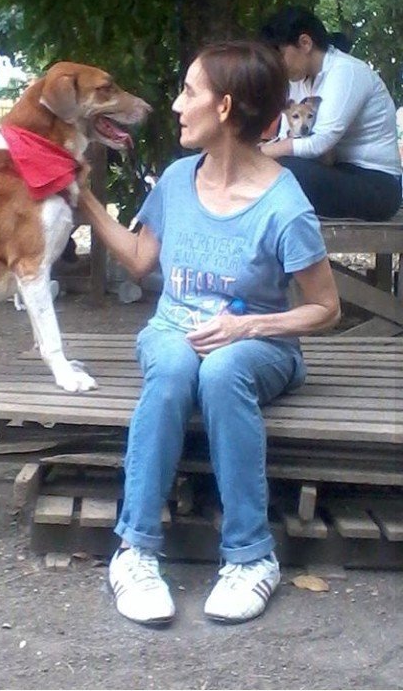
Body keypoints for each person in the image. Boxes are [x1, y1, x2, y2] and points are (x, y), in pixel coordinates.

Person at [76, 40, 341, 625]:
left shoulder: (284, 206)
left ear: (223, 108)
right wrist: (86, 199)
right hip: (173, 330)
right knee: (173, 367)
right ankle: (136, 553)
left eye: (189, 92)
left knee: (222, 372)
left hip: (261, 346)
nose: (175, 105)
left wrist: (249, 324)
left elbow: (326, 309)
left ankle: (251, 557)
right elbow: (143, 261)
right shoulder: (176, 180)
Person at [259, 6, 402, 221]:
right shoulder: (300, 80)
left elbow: (319, 143)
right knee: (268, 170)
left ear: (305, 43)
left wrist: (257, 154)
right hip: (333, 171)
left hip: (376, 184)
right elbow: (290, 136)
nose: (276, 65)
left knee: (282, 170)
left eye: (279, 55)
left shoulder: (347, 72)